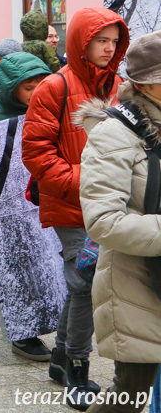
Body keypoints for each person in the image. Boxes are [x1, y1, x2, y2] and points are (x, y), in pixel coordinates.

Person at [22, 7, 129, 409]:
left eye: (114, 42)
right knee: (86, 281)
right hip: (70, 204)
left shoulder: (120, 85)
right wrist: (80, 183)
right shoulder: (54, 86)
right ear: (82, 42)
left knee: (79, 283)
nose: (108, 48)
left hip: (112, 204)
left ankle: (62, 356)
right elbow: (35, 152)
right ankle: (77, 371)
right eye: (101, 40)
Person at [76, 31, 161, 413]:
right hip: (135, 282)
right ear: (147, 84)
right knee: (129, 395)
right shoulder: (115, 133)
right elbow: (103, 221)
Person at [0, 52, 53, 361]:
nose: (36, 91)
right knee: (17, 266)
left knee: (48, 265)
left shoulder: (51, 111)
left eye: (40, 84)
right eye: (28, 86)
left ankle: (51, 320)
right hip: (9, 210)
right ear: (11, 87)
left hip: (45, 202)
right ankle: (24, 333)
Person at [20, 9, 61, 73]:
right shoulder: (45, 46)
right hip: (44, 78)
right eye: (50, 36)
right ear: (43, 27)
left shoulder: (21, 46)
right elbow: (54, 65)